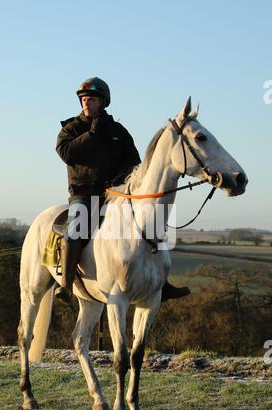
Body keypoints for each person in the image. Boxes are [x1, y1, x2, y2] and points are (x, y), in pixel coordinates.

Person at [55, 77, 190, 304]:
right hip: (85, 195)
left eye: (92, 99)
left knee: (151, 227)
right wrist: (93, 134)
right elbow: (67, 154)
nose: (87, 103)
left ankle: (161, 283)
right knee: (74, 231)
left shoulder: (118, 131)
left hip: (116, 195)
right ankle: (66, 285)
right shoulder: (71, 128)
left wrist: (122, 181)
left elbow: (134, 162)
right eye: (84, 99)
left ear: (103, 102)